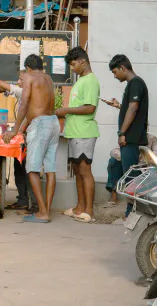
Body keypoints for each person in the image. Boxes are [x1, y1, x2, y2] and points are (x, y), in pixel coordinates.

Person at [2, 55, 59, 223]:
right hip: (53, 122)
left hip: (40, 124)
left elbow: (25, 102)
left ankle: (42, 212)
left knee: (32, 168)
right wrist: (21, 128)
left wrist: (14, 130)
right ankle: (46, 209)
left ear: (27, 67)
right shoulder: (48, 78)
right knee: (50, 169)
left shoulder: (29, 77)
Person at [56, 47, 100, 223]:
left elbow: (90, 108)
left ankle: (89, 211)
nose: (72, 68)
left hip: (84, 132)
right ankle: (79, 207)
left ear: (83, 61)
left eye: (73, 64)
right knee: (77, 170)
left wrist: (65, 110)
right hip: (74, 132)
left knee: (85, 170)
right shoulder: (81, 80)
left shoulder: (90, 81)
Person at [104, 54, 149, 217]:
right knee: (128, 174)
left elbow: (133, 108)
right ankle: (132, 211)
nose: (115, 76)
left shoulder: (136, 83)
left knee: (131, 177)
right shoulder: (134, 84)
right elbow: (130, 108)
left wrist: (122, 133)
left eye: (115, 72)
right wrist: (119, 107)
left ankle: (133, 212)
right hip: (131, 138)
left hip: (131, 138)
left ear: (123, 68)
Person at [0, 73, 37, 214]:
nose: (18, 81)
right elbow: (5, 89)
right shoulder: (21, 93)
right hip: (22, 136)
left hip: (28, 136)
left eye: (21, 79)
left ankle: (33, 203)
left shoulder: (25, 92)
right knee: (18, 168)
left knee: (27, 170)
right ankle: (22, 200)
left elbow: (9, 87)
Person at [105, 134, 157, 207]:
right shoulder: (127, 138)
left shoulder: (152, 138)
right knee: (113, 161)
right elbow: (113, 151)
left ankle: (137, 199)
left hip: (143, 167)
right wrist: (127, 157)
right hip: (128, 164)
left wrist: (144, 156)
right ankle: (113, 193)